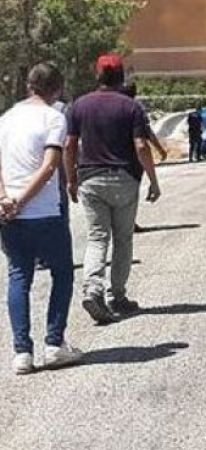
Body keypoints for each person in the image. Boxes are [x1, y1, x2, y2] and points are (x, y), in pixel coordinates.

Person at [63, 54, 161, 323]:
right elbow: (141, 146)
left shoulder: (79, 105)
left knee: (97, 238)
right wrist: (153, 180)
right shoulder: (132, 107)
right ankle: (117, 296)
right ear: (121, 77)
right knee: (123, 238)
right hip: (125, 180)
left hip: (90, 180)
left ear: (98, 75)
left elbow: (70, 146)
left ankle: (92, 290)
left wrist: (71, 179)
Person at [0, 63, 82, 373]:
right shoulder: (54, 118)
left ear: (29, 86)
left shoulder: (5, 119)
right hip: (44, 212)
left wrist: (5, 199)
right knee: (63, 273)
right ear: (57, 89)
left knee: (19, 276)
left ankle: (22, 353)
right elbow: (49, 167)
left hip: (8, 212)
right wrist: (21, 201)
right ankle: (54, 344)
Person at [121, 81, 167, 233]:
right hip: (132, 158)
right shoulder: (136, 108)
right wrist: (160, 149)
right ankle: (129, 222)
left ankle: (124, 223)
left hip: (110, 156)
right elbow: (146, 133)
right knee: (131, 191)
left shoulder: (111, 106)